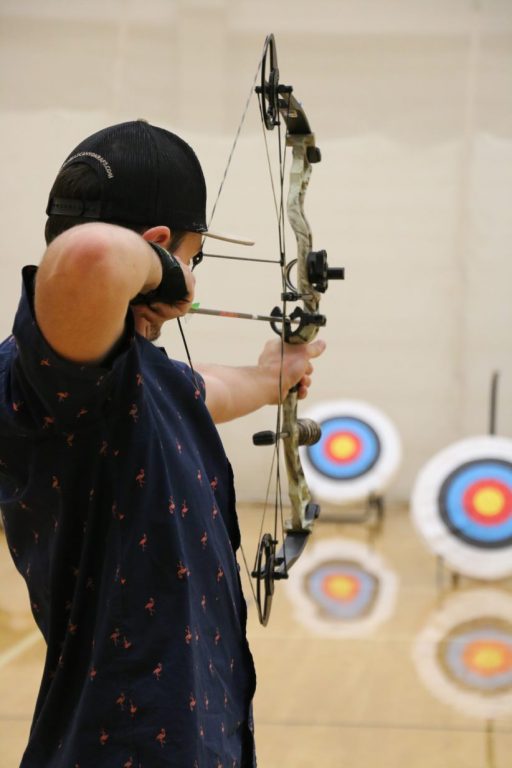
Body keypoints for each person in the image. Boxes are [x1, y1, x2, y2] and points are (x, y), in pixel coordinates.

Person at [0, 120, 325, 767]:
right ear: (157, 250)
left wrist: (268, 379)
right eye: (192, 258)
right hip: (123, 745)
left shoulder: (124, 380)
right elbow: (90, 257)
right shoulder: (48, 375)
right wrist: (167, 273)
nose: (191, 278)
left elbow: (198, 389)